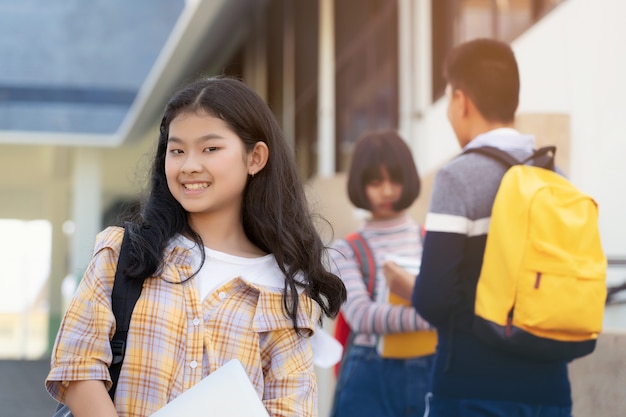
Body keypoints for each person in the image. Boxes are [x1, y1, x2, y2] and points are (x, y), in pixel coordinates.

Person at [45, 76, 347, 417]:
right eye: (177, 150)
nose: (189, 165)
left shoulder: (284, 292)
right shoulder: (122, 252)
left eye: (210, 149)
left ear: (255, 158)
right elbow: (77, 366)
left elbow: (290, 409)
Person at [412, 38, 572, 416]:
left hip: (472, 387)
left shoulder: (457, 178)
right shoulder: (557, 177)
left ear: (461, 101)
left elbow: (434, 299)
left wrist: (412, 289)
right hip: (549, 390)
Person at [329, 129, 434, 417]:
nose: (387, 191)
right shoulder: (344, 250)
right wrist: (432, 316)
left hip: (431, 371)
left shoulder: (433, 241)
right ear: (360, 184)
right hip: (368, 379)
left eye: (395, 180)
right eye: (376, 181)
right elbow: (362, 316)